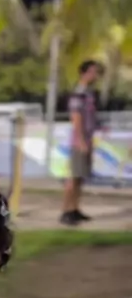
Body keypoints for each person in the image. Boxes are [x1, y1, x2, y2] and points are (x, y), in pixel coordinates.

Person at [60, 59, 103, 226]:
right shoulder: (79, 93)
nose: (95, 75)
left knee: (80, 177)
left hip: (88, 137)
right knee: (73, 176)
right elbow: (76, 117)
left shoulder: (89, 93)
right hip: (80, 140)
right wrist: (81, 140)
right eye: (93, 71)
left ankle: (74, 209)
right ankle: (65, 211)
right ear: (84, 73)